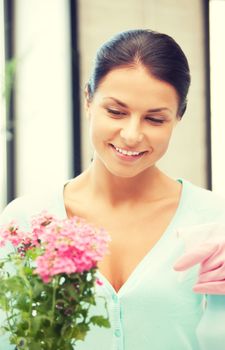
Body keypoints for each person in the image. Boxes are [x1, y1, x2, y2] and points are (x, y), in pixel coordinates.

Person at [1, 29, 225, 350]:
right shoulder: (26, 220)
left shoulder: (215, 220)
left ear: (178, 116)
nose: (132, 134)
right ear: (88, 99)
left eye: (154, 119)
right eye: (116, 112)